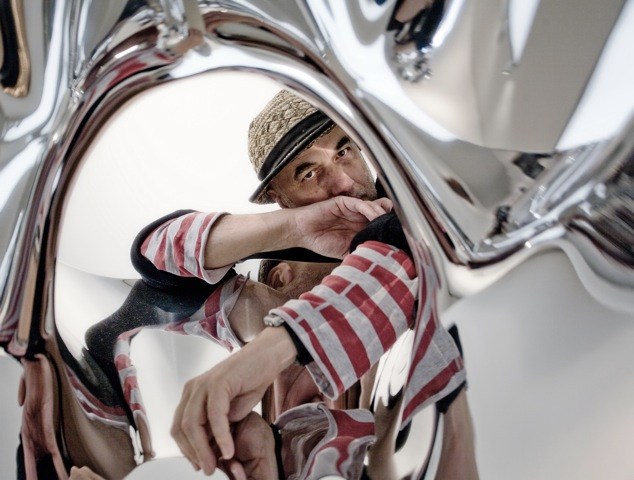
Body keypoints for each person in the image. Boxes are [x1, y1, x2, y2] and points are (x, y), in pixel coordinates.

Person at [132, 90, 475, 478]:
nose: (343, 182)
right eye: (309, 173)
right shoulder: (279, 340)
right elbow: (154, 254)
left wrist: (277, 347)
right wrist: (292, 228)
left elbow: (411, 241)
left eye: (344, 150)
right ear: (279, 198)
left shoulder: (423, 205)